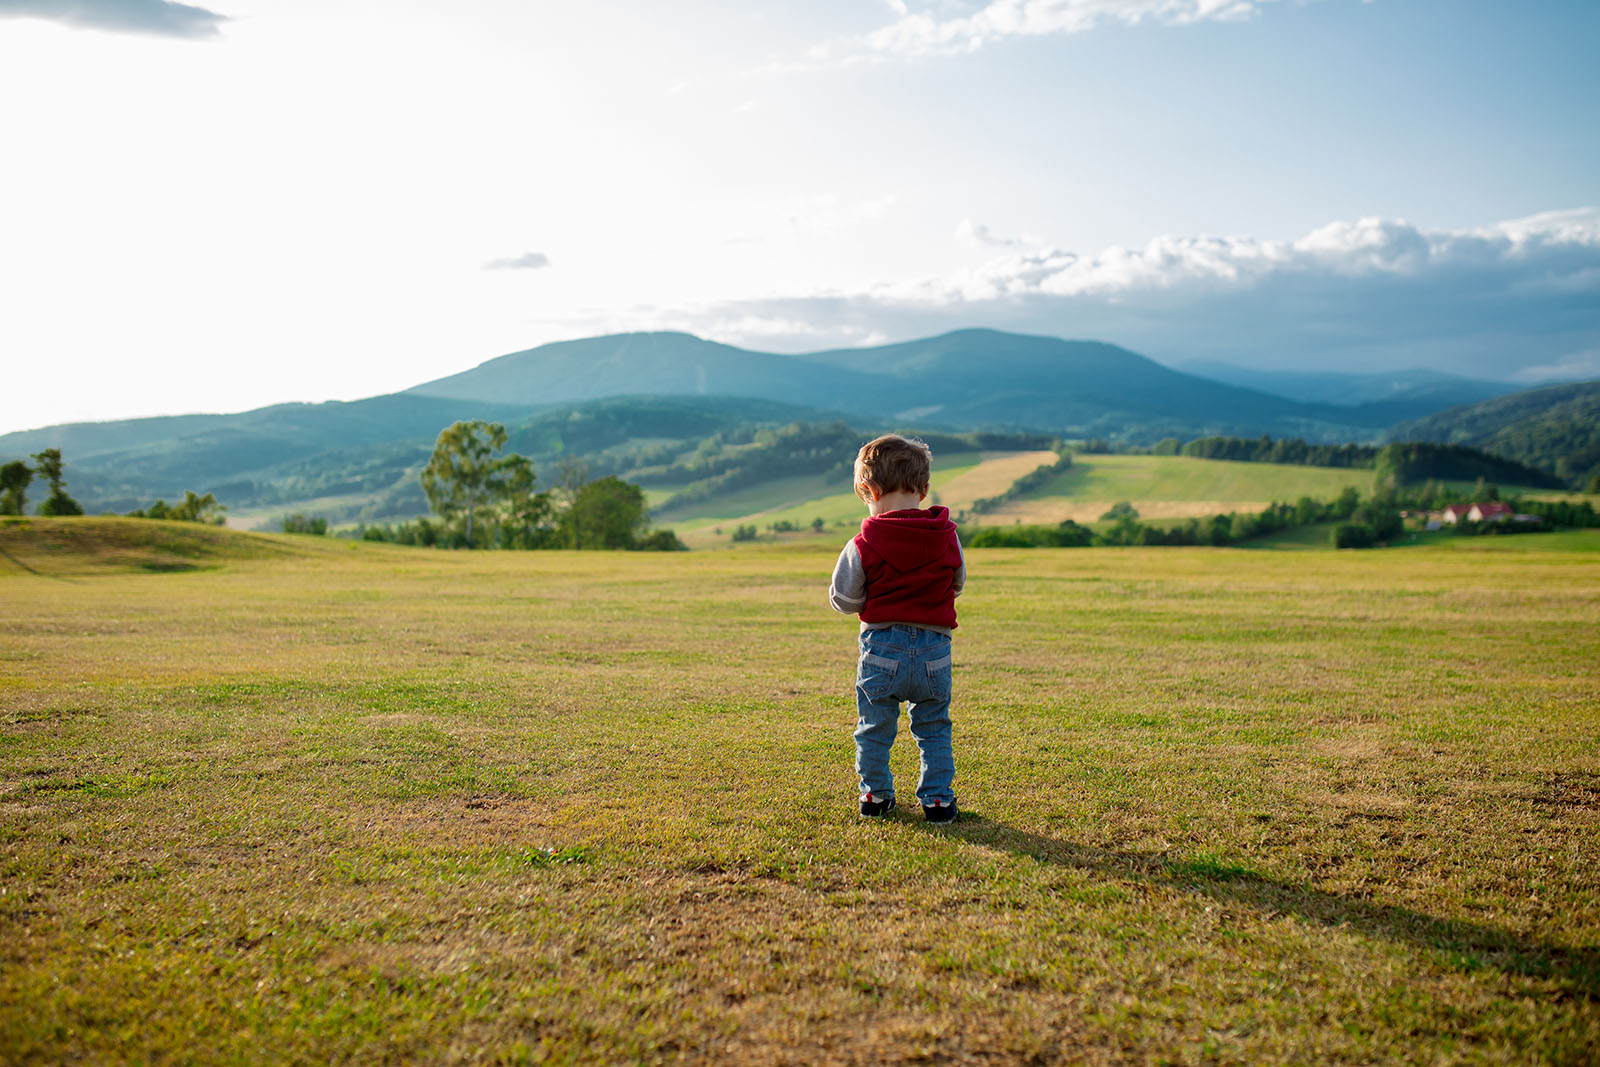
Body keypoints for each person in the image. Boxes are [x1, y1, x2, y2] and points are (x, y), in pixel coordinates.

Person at [828, 434, 965, 823]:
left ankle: (874, 795)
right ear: (924, 490)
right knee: (934, 726)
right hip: (935, 650)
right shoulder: (947, 535)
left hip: (881, 650)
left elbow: (844, 599)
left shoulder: (863, 543)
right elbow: (957, 582)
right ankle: (937, 800)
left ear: (869, 490)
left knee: (874, 725)